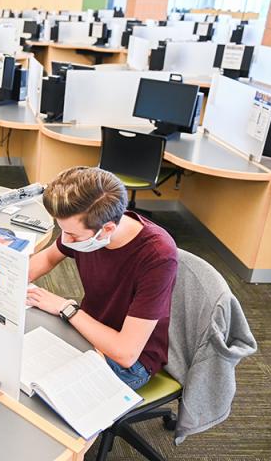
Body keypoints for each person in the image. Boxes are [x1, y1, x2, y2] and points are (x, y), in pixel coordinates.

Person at [27, 166, 177, 390]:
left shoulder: (157, 256)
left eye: (73, 235)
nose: (65, 240)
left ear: (107, 229)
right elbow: (47, 259)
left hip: (130, 363)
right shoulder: (87, 227)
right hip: (86, 329)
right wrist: (7, 282)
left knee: (35, 385)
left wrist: (66, 308)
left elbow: (126, 353)